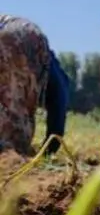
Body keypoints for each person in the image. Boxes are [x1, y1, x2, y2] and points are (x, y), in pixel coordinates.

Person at [0, 15, 57, 155]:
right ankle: (14, 149)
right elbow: (59, 95)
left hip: (10, 31)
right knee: (19, 101)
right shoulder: (47, 61)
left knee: (10, 96)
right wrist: (51, 147)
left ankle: (9, 150)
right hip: (29, 34)